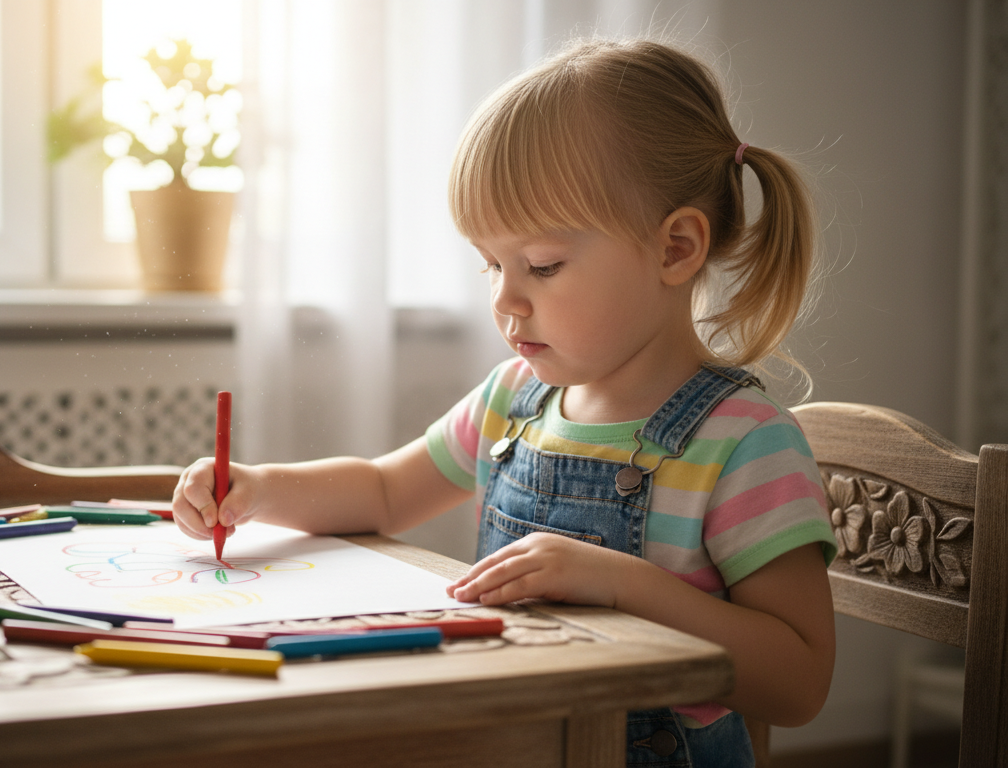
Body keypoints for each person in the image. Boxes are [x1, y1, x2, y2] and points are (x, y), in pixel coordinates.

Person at [173, 38, 835, 767]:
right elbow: (386, 492)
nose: (504, 298)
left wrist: (620, 583)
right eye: (490, 263)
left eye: (542, 265)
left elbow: (800, 682)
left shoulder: (744, 442)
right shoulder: (515, 399)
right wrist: (260, 489)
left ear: (676, 248)